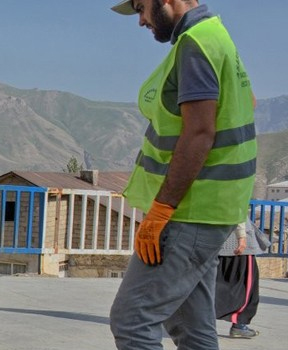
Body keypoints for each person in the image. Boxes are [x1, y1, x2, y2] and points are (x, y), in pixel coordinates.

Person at [108, 1, 257, 349]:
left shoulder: (195, 44)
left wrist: (162, 209)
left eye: (142, 8)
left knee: (132, 321)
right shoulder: (216, 37)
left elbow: (200, 132)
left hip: (189, 212)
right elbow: (248, 102)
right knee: (191, 325)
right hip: (211, 210)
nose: (141, 20)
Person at [215, 218, 266, 338]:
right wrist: (241, 236)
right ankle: (239, 325)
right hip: (236, 243)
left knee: (212, 285)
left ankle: (201, 324)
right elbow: (238, 209)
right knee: (246, 288)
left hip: (213, 240)